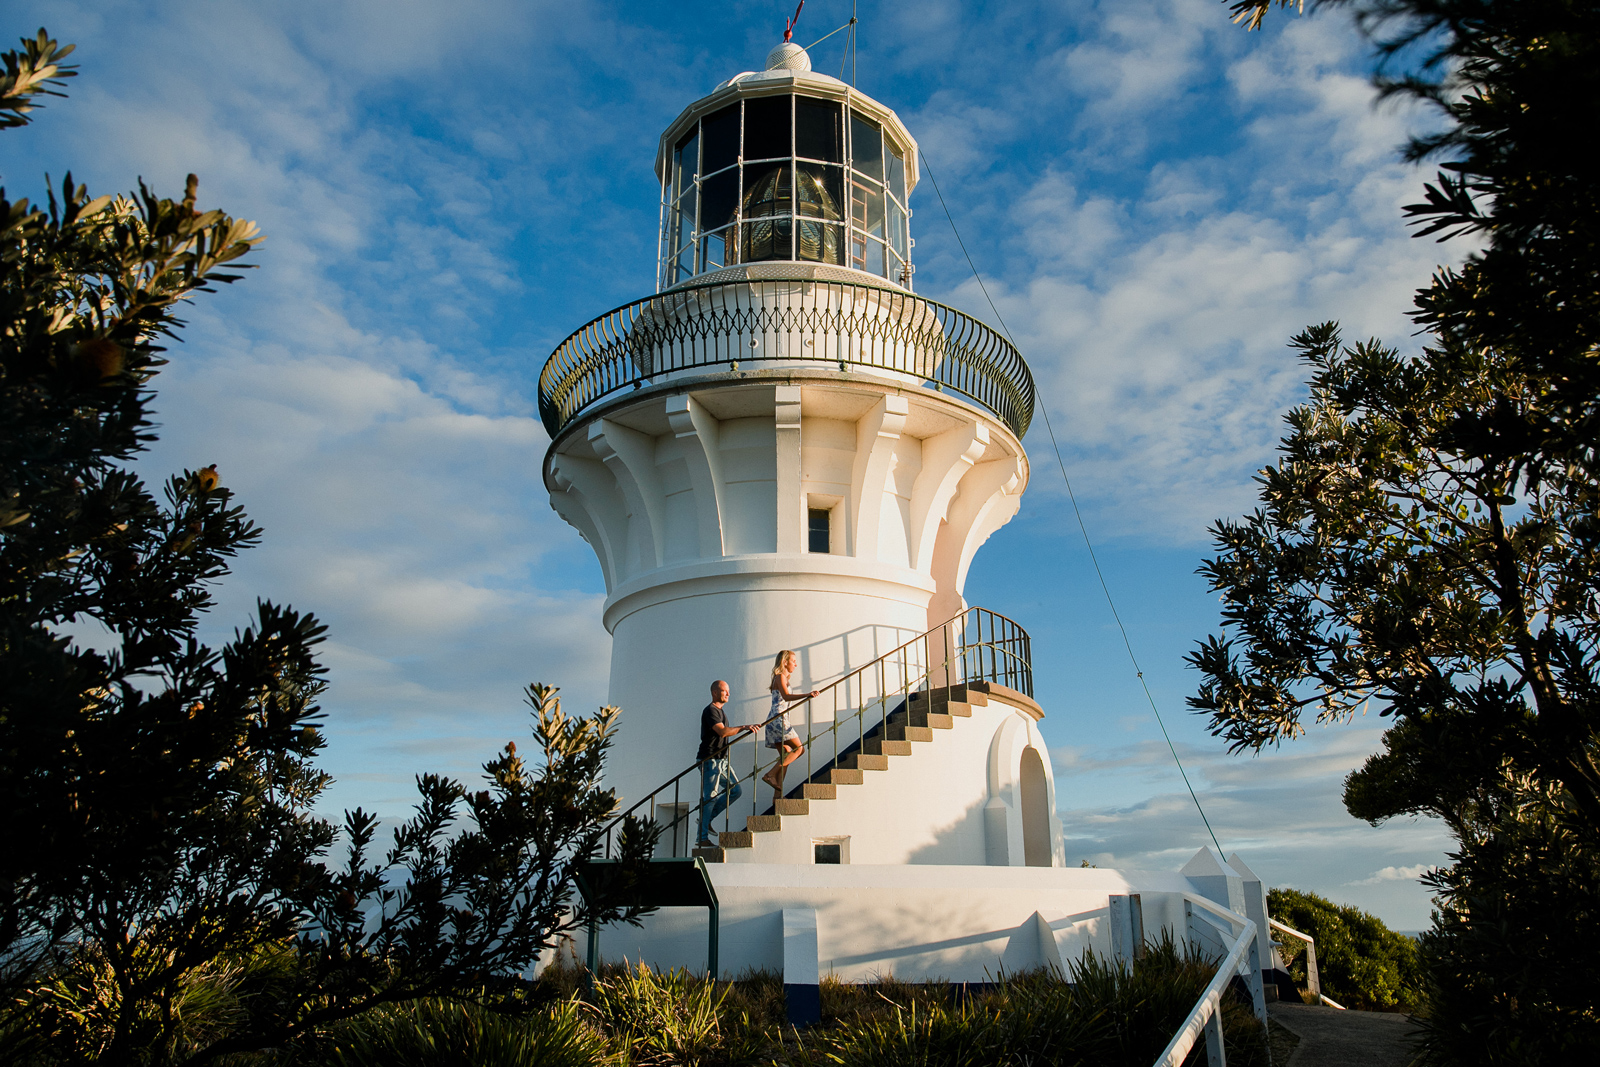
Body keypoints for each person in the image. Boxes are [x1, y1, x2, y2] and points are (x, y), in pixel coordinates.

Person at [697, 679, 756, 847]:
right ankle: (701, 838)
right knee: (710, 797)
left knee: (736, 790)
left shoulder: (721, 712)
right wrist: (744, 727)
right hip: (710, 760)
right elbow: (722, 732)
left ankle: (707, 820)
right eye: (725, 691)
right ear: (715, 692)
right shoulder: (710, 711)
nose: (728, 694)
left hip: (720, 761)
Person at [762, 649, 818, 804]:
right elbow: (786, 696)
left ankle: (777, 797)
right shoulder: (779, 677)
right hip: (779, 719)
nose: (796, 664)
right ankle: (770, 774)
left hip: (775, 719)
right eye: (793, 661)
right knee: (799, 749)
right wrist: (807, 694)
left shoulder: (781, 678)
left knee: (786, 755)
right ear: (785, 661)